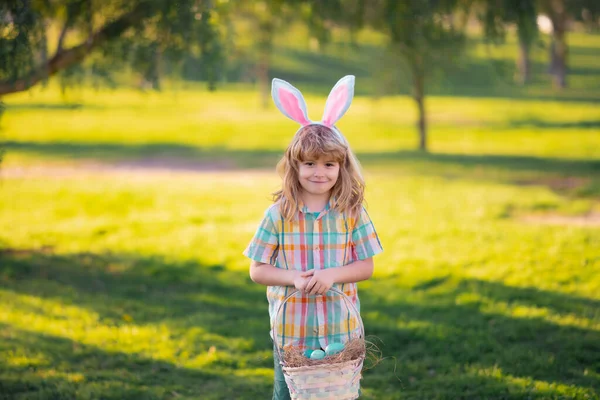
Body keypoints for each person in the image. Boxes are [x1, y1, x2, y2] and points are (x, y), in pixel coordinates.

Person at [243, 75, 383, 400]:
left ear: (341, 166)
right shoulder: (278, 214)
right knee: (287, 395)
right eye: (309, 163)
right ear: (294, 165)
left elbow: (366, 265)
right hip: (292, 335)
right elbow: (257, 269)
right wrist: (293, 277)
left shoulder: (352, 212)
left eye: (329, 164)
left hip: (341, 333)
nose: (319, 172)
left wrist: (332, 274)